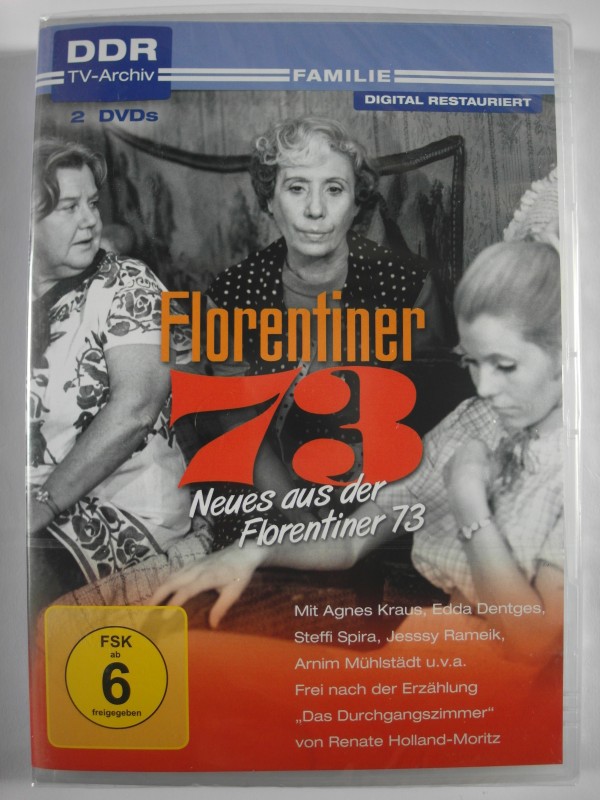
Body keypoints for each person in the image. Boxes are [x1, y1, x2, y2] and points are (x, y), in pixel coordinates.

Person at [153, 239, 564, 663]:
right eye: (472, 363)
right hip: (427, 651)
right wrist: (254, 552)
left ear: (566, 352)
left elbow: (533, 642)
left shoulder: (580, 467)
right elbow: (351, 542)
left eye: (505, 365)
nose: (484, 387)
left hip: (492, 679)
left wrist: (467, 498)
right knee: (190, 653)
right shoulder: (474, 420)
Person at [205, 116, 429, 542]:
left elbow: (428, 423)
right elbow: (243, 432)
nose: (315, 210)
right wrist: (306, 527)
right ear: (269, 200)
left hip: (382, 501)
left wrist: (356, 531)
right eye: (296, 188)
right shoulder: (231, 296)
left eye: (334, 189)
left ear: (357, 202)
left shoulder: (408, 287)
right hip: (273, 498)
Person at [28, 139, 206, 614]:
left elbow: (135, 409)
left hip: (124, 508)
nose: (90, 220)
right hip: (32, 500)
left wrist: (40, 505)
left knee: (20, 571)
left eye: (92, 203)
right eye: (69, 207)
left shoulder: (126, 282)